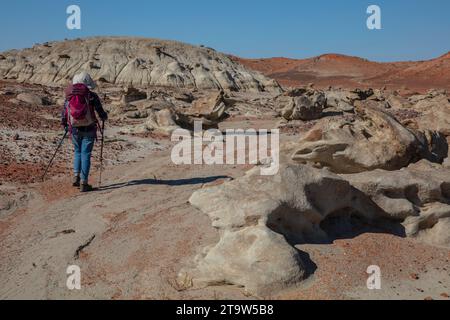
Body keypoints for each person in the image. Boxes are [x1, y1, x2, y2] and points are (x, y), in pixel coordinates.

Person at [61, 72, 108, 192]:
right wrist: (104, 116)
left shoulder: (69, 95)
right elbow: (100, 112)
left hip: (75, 129)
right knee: (85, 154)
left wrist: (65, 125)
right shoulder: (91, 96)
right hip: (89, 128)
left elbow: (64, 112)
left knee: (77, 152)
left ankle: (76, 176)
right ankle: (84, 182)